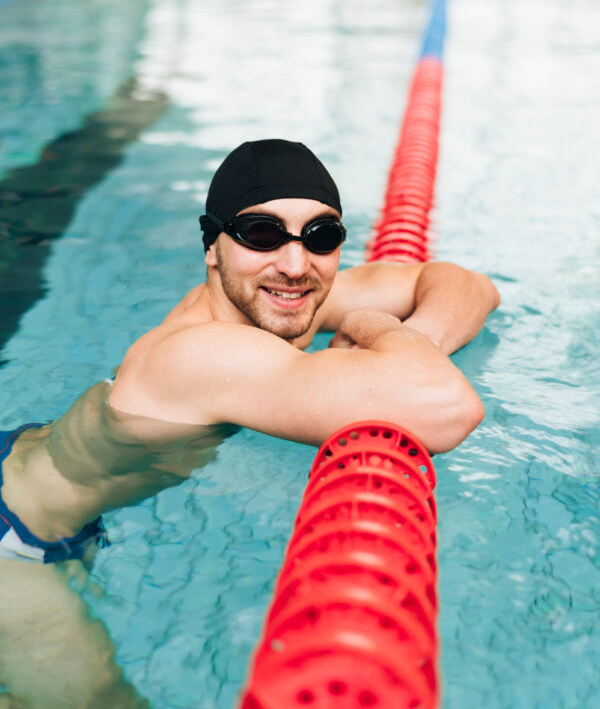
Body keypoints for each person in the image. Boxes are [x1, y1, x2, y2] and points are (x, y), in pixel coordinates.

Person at [0, 138, 499, 706]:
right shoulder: (207, 353)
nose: (294, 264)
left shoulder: (271, 300)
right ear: (213, 247)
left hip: (37, 472)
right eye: (262, 234)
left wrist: (415, 342)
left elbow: (467, 284)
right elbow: (447, 406)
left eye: (321, 236)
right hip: (12, 537)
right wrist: (373, 324)